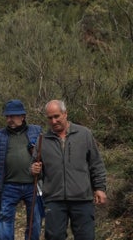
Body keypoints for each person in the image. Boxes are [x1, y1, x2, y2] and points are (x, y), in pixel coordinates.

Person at [30, 100, 107, 240]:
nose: (53, 121)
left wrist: (100, 188)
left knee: (86, 237)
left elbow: (96, 163)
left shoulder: (84, 134)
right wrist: (35, 170)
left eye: (56, 116)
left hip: (82, 198)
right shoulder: (42, 140)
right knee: (54, 237)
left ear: (65, 114)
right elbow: (36, 170)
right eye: (49, 118)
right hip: (54, 199)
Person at [0, 99, 42, 240]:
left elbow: (46, 154)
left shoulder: (36, 131)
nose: (9, 119)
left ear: (22, 116)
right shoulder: (1, 135)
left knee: (35, 220)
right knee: (5, 218)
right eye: (7, 116)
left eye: (13, 116)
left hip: (33, 184)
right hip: (9, 184)